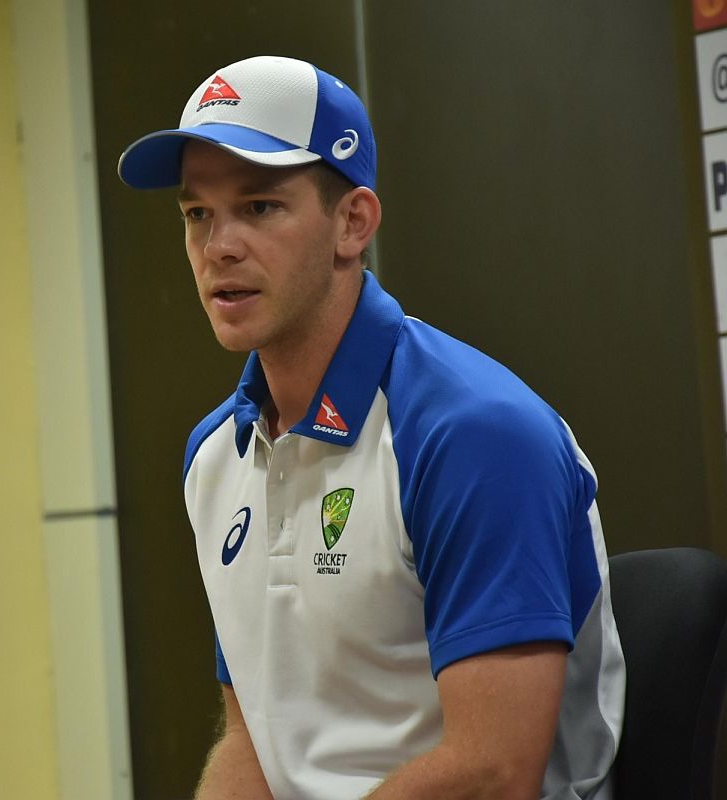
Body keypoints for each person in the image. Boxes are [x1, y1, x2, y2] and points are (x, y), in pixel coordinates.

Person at [117, 55, 625, 799]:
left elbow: (493, 772)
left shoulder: (474, 434)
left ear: (352, 222)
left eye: (259, 206)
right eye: (198, 214)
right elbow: (255, 743)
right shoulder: (214, 455)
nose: (219, 245)